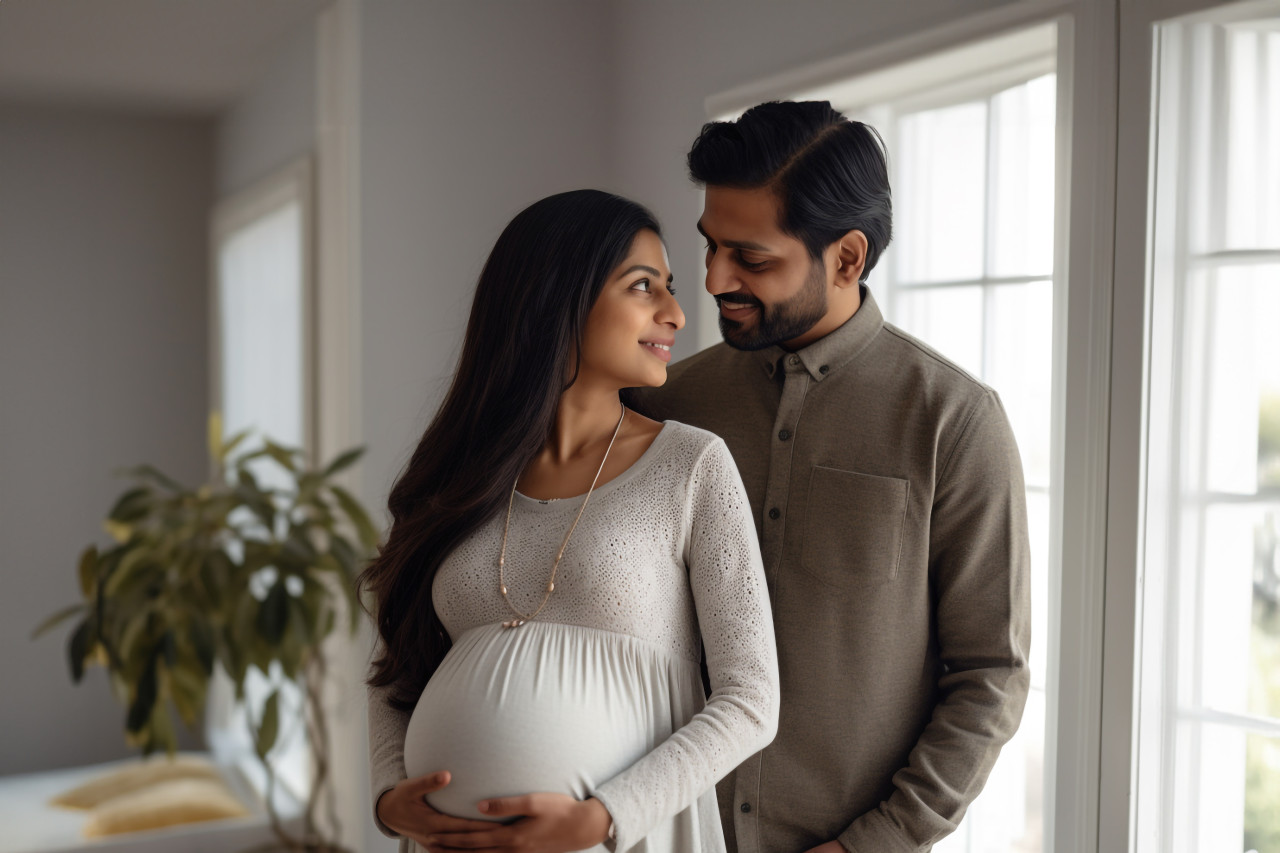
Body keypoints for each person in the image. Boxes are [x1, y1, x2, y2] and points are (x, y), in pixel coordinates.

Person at [630, 101, 1031, 852]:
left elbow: (990, 673)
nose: (714, 279)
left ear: (846, 257)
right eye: (710, 247)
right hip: (667, 833)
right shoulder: (665, 402)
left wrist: (874, 843)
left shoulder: (954, 421)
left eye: (751, 257)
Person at [359, 189, 780, 853]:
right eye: (644, 288)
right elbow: (395, 671)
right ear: (558, 298)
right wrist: (389, 796)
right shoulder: (460, 475)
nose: (674, 313)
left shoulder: (691, 465)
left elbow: (750, 700)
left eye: (668, 289)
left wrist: (604, 818)